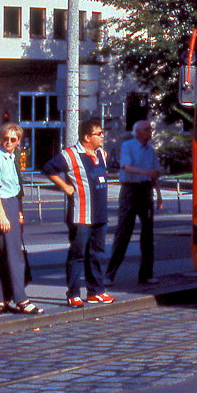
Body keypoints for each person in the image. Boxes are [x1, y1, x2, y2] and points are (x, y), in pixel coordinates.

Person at [42, 118, 115, 308]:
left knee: (97, 253)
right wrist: (64, 186)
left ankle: (96, 291)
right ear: (87, 137)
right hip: (81, 214)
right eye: (99, 134)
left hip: (100, 214)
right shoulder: (70, 155)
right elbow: (48, 168)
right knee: (77, 254)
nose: (102, 137)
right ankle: (73, 293)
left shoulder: (102, 154)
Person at [0, 123, 43, 315]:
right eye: (5, 138)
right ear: (1, 139)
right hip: (2, 205)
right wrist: (2, 215)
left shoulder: (11, 158)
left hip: (10, 204)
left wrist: (18, 212)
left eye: (13, 139)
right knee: (14, 256)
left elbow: (15, 189)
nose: (8, 142)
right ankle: (21, 299)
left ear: (18, 141)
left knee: (5, 256)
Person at [107, 120, 164, 285]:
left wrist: (158, 194)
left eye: (150, 129)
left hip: (145, 190)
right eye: (147, 129)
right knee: (123, 231)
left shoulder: (151, 150)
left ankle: (146, 274)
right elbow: (127, 167)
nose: (150, 132)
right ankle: (110, 274)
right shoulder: (128, 146)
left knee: (148, 234)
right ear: (137, 132)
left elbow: (155, 174)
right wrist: (146, 172)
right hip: (130, 190)